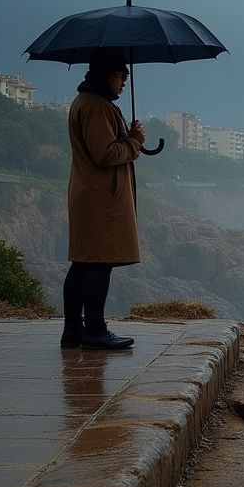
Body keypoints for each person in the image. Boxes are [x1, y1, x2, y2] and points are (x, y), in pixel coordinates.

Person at [61, 49, 145, 349]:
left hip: (90, 193)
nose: (123, 82)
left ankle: (74, 330)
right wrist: (134, 142)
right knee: (99, 262)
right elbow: (105, 153)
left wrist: (128, 137)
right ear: (107, 75)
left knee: (83, 262)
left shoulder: (88, 102)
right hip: (101, 198)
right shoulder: (96, 106)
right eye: (120, 76)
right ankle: (95, 330)